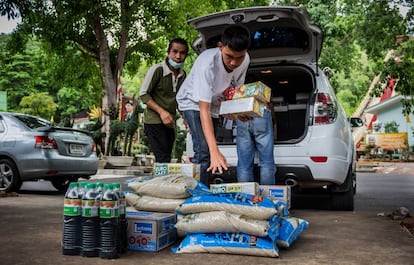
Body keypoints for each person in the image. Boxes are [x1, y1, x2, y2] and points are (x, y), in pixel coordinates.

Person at [176, 25, 251, 184]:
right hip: (192, 103)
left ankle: (204, 189)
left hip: (215, 103)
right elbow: (204, 110)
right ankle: (197, 195)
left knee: (209, 153)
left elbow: (233, 91)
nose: (233, 62)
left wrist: (236, 113)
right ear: (220, 46)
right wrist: (215, 150)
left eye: (239, 57)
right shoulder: (207, 63)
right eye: (229, 56)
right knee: (204, 150)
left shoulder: (245, 61)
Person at [140, 38, 189, 163]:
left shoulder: (183, 75)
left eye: (182, 53)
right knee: (162, 158)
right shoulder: (157, 70)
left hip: (170, 123)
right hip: (153, 121)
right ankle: (159, 182)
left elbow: (182, 100)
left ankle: (161, 181)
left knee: (166, 158)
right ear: (168, 52)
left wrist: (186, 119)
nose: (178, 56)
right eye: (175, 52)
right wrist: (162, 112)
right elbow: (144, 95)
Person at [236, 102, 276, 185]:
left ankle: (246, 196)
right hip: (260, 112)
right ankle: (267, 196)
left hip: (242, 114)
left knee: (244, 164)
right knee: (266, 162)